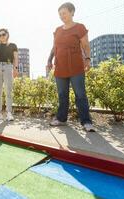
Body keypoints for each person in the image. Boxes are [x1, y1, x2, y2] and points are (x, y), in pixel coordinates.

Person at [46, 2, 95, 132]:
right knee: (62, 94)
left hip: (76, 66)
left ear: (72, 12)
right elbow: (54, 47)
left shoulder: (79, 27)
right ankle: (61, 119)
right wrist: (49, 60)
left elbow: (85, 45)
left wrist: (88, 59)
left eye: (64, 13)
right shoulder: (57, 30)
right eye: (60, 14)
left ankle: (86, 121)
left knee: (80, 94)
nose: (62, 16)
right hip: (60, 66)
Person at [0, 28, 19, 121]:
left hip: (8, 67)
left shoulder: (13, 45)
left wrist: (15, 69)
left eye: (3, 34)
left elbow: (15, 58)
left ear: (7, 34)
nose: (1, 36)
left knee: (8, 90)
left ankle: (9, 113)